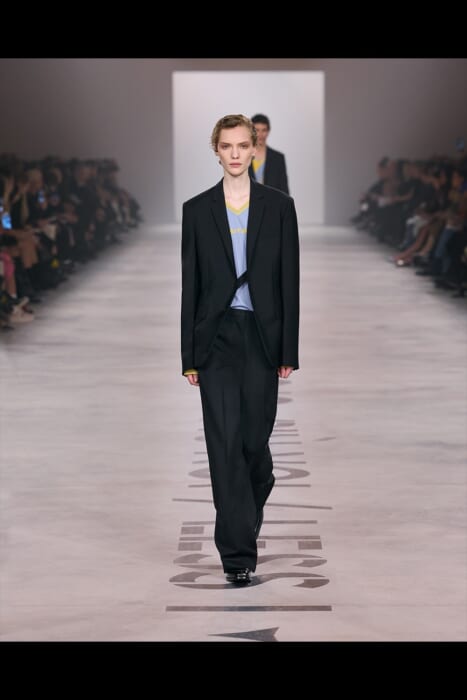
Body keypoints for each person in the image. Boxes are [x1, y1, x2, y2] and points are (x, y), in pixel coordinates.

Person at [180, 114, 300, 586]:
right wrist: (189, 355)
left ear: (254, 149)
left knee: (253, 444)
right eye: (226, 146)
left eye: (242, 145)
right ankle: (237, 555)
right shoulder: (196, 209)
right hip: (216, 338)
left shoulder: (279, 206)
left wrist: (288, 348)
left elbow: (289, 279)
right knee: (224, 445)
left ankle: (253, 494)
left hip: (262, 336)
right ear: (216, 150)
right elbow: (191, 286)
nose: (234, 154)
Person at [248, 113, 289, 194]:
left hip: (273, 201)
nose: (260, 134)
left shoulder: (278, 158)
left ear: (268, 131)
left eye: (264, 130)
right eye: (257, 130)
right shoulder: (244, 156)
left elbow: (284, 189)